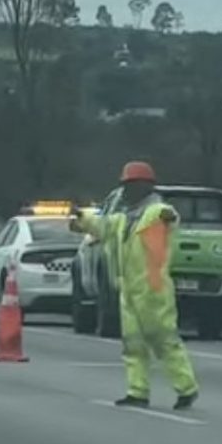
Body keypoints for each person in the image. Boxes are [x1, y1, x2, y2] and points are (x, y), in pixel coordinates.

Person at [70, 161, 200, 411]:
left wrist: (168, 218)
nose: (128, 190)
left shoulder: (156, 211)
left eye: (132, 185)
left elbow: (169, 219)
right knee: (133, 344)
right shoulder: (124, 219)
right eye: (126, 185)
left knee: (164, 340)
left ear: (146, 187)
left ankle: (186, 388)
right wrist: (82, 217)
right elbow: (102, 225)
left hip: (153, 288)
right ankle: (137, 391)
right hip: (129, 289)